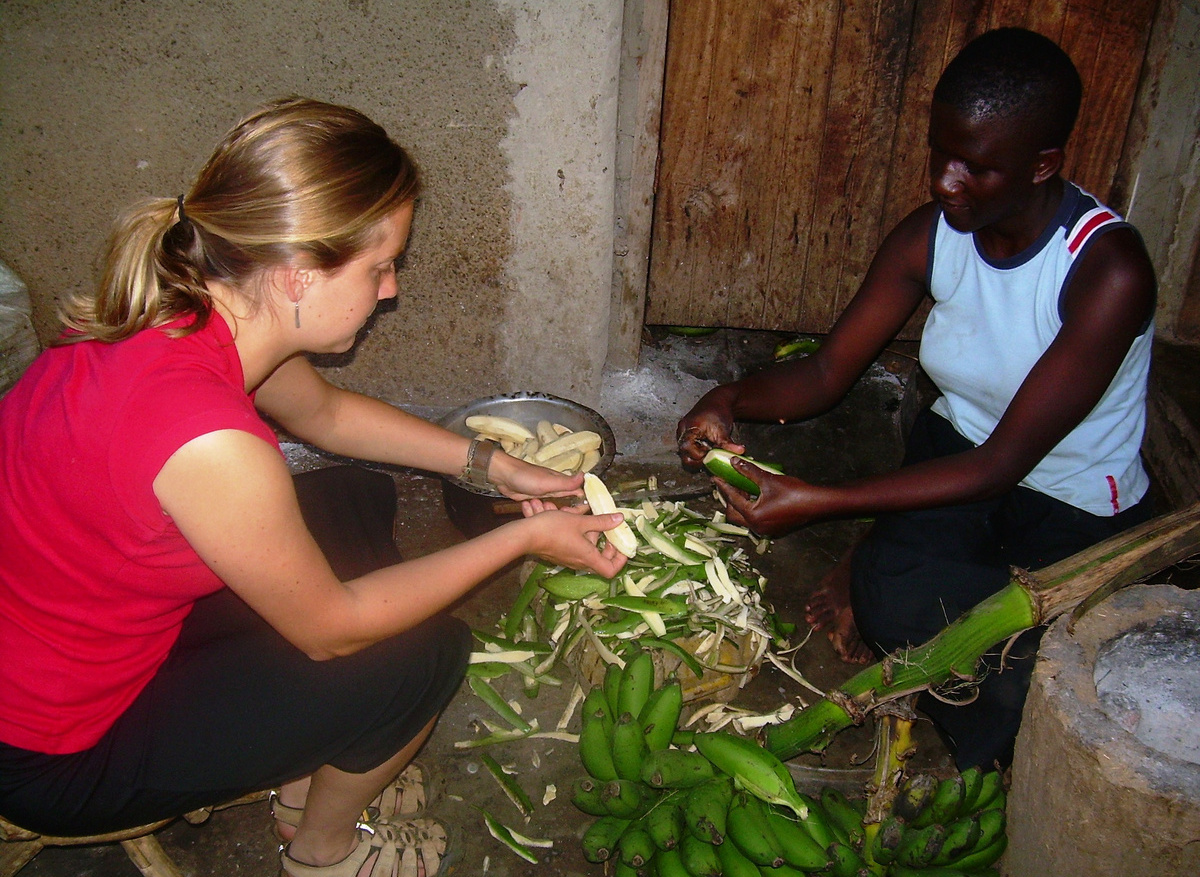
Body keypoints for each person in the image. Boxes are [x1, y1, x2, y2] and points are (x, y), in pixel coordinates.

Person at [0, 97, 629, 877]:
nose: (390, 289)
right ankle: (323, 846)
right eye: (380, 266)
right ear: (298, 273)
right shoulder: (209, 444)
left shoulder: (187, 304)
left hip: (78, 628)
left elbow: (324, 414)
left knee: (355, 499)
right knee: (424, 657)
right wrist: (523, 535)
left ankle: (319, 762)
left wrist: (495, 466)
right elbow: (333, 628)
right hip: (53, 748)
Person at [676, 28, 1156, 771]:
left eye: (976, 167)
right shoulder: (934, 234)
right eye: (940, 154)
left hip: (1070, 500)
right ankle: (877, 555)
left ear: (1042, 165)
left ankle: (886, 560)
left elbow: (1001, 466)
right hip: (956, 453)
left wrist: (819, 502)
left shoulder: (1106, 269)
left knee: (1025, 677)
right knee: (896, 604)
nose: (945, 182)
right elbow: (826, 373)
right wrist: (727, 397)